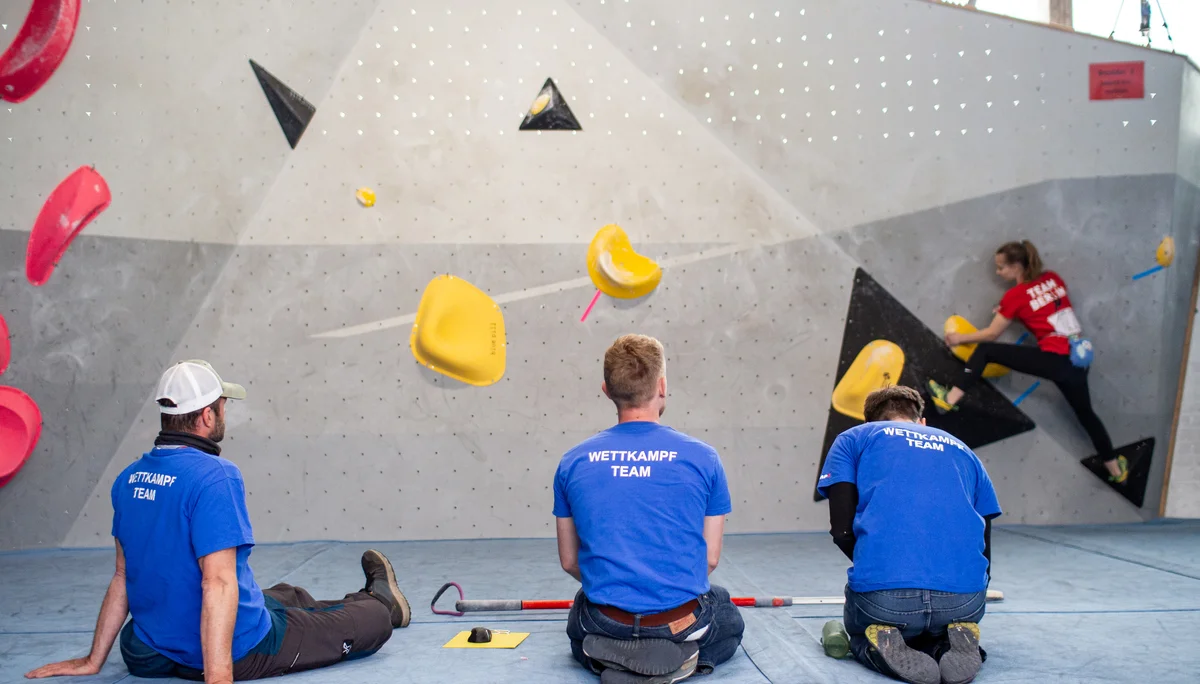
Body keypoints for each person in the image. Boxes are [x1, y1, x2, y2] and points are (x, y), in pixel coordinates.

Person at [25, 360, 412, 682]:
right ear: (208, 415)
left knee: (286, 594)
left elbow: (122, 577)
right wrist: (219, 676)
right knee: (371, 622)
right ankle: (381, 600)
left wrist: (94, 660)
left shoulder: (129, 479)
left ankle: (298, 606)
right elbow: (219, 582)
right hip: (237, 648)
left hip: (153, 649)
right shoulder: (215, 476)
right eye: (223, 406)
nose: (224, 413)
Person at [553, 334, 745, 682]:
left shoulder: (572, 461)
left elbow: (569, 561)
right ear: (662, 386)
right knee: (727, 616)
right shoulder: (705, 458)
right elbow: (710, 560)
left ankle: (610, 660)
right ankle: (684, 658)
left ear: (607, 390)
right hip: (678, 620)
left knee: (580, 615)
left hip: (606, 621)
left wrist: (618, 588)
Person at [818, 385, 1000, 684]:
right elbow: (985, 530)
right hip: (964, 601)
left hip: (886, 601)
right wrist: (976, 588)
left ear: (871, 421)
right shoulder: (962, 448)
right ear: (923, 421)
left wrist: (881, 565)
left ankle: (875, 645)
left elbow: (842, 530)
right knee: (939, 624)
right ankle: (949, 641)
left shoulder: (855, 438)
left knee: (860, 630)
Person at [927, 240, 1128, 483]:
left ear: (1016, 267)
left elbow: (991, 334)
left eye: (1001, 268)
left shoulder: (1015, 296)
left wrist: (959, 338)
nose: (999, 273)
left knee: (985, 350)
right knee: (1087, 415)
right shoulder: (1053, 279)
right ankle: (1116, 471)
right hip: (1079, 359)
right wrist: (1016, 315)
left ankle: (949, 399)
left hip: (1056, 359)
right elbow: (1048, 315)